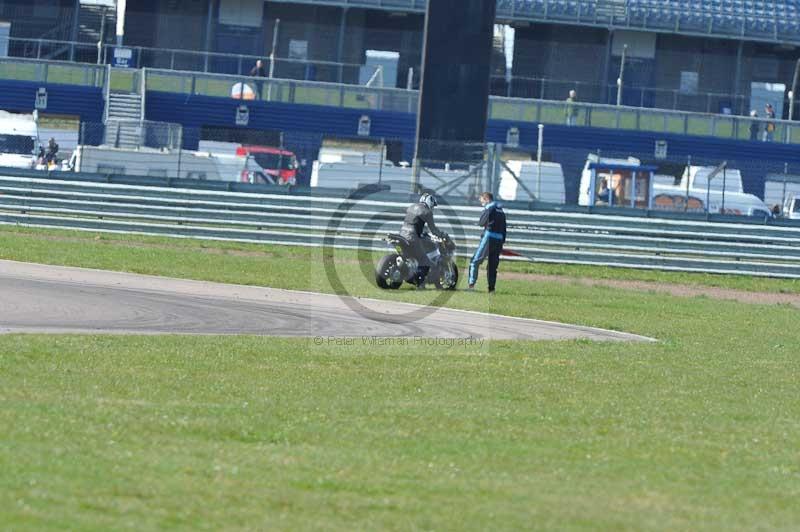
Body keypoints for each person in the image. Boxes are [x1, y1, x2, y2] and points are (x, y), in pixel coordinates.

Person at [400, 192, 447, 289]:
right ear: (429, 202)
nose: (432, 208)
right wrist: (441, 234)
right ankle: (420, 284)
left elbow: (414, 222)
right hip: (412, 237)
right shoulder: (427, 211)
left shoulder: (411, 207)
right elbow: (433, 229)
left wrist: (422, 232)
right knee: (424, 260)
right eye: (433, 205)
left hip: (402, 234)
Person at [468, 192, 507, 293]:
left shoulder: (489, 207)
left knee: (474, 261)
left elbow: (481, 223)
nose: (481, 202)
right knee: (492, 265)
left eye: (481, 199)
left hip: (489, 237)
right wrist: (502, 241)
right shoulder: (501, 209)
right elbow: (504, 228)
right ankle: (491, 289)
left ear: (486, 198)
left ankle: (471, 285)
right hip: (499, 240)